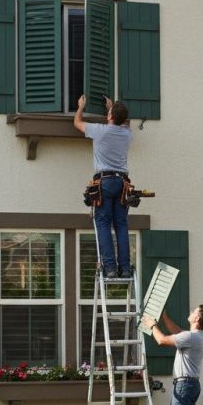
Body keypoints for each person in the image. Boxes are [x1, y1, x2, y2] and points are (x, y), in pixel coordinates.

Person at [73, 94, 132, 278]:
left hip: (104, 181)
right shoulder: (127, 134)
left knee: (103, 224)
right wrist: (112, 109)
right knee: (121, 225)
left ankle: (110, 268)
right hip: (122, 182)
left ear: (110, 116)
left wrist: (81, 107)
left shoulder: (99, 131)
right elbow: (122, 123)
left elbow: (77, 123)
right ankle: (125, 268)